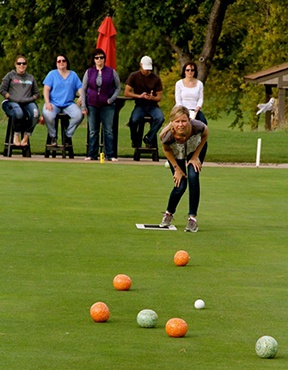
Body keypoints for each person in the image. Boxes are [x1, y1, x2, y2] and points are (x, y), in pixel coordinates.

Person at [159, 105, 208, 232]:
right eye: (177, 121)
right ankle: (168, 214)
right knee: (180, 185)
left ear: (189, 120)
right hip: (176, 154)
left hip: (195, 149)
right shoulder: (167, 136)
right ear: (172, 122)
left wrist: (195, 156)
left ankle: (192, 219)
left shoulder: (198, 126)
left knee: (193, 176)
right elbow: (166, 150)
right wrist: (177, 169)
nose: (181, 124)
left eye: (184, 121)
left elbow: (205, 135)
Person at [81, 49, 121, 161]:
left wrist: (111, 99)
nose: (99, 60)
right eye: (97, 57)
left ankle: (110, 154)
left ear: (104, 59)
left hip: (107, 105)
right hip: (92, 104)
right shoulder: (89, 72)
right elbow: (83, 89)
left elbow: (118, 87)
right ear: (94, 60)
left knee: (108, 130)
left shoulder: (111, 72)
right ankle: (91, 154)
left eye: (101, 57)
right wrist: (84, 106)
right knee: (93, 130)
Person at [42, 54, 83, 146]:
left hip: (68, 104)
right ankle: (53, 136)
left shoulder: (73, 75)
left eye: (63, 61)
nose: (61, 63)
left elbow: (80, 88)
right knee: (47, 114)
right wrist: (47, 102)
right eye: (59, 61)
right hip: (53, 103)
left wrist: (81, 96)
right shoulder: (52, 74)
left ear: (67, 62)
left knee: (78, 115)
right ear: (56, 64)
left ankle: (68, 135)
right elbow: (46, 89)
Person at [124, 55, 164, 148]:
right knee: (133, 120)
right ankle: (135, 139)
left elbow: (159, 97)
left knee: (160, 118)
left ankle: (149, 137)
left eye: (149, 69)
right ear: (141, 65)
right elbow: (127, 92)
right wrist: (139, 96)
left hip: (153, 105)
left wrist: (152, 98)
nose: (147, 71)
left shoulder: (156, 79)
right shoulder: (134, 76)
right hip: (140, 105)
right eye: (146, 69)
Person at [0, 54, 40, 146]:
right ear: (15, 64)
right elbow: (2, 89)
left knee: (35, 113)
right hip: (11, 102)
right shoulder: (10, 76)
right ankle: (16, 134)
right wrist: (8, 95)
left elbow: (36, 93)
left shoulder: (30, 78)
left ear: (26, 65)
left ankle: (26, 136)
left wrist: (32, 98)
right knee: (18, 113)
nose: (21, 65)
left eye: (24, 63)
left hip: (27, 102)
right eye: (19, 63)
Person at [175, 61, 208, 162]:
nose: (190, 72)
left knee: (203, 125)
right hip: (182, 110)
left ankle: (200, 156)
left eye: (192, 70)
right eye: (188, 70)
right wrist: (182, 110)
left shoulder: (199, 84)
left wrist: (198, 107)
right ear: (184, 71)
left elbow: (200, 98)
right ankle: (176, 153)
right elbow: (178, 99)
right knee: (174, 127)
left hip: (195, 110)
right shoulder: (179, 83)